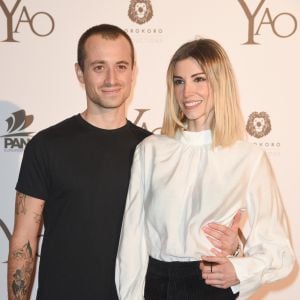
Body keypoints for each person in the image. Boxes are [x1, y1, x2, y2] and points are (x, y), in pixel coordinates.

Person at [7, 25, 238, 300]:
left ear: (133, 71)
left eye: (121, 66)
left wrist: (233, 247)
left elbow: (184, 230)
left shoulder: (156, 150)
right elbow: (23, 241)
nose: (111, 78)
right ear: (80, 72)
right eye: (98, 67)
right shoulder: (46, 146)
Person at [115, 38, 295, 299]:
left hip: (212, 286)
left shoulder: (249, 158)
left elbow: (279, 252)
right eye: (179, 81)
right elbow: (131, 243)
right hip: (156, 286)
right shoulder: (150, 151)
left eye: (199, 79)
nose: (187, 92)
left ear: (219, 82)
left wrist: (240, 270)